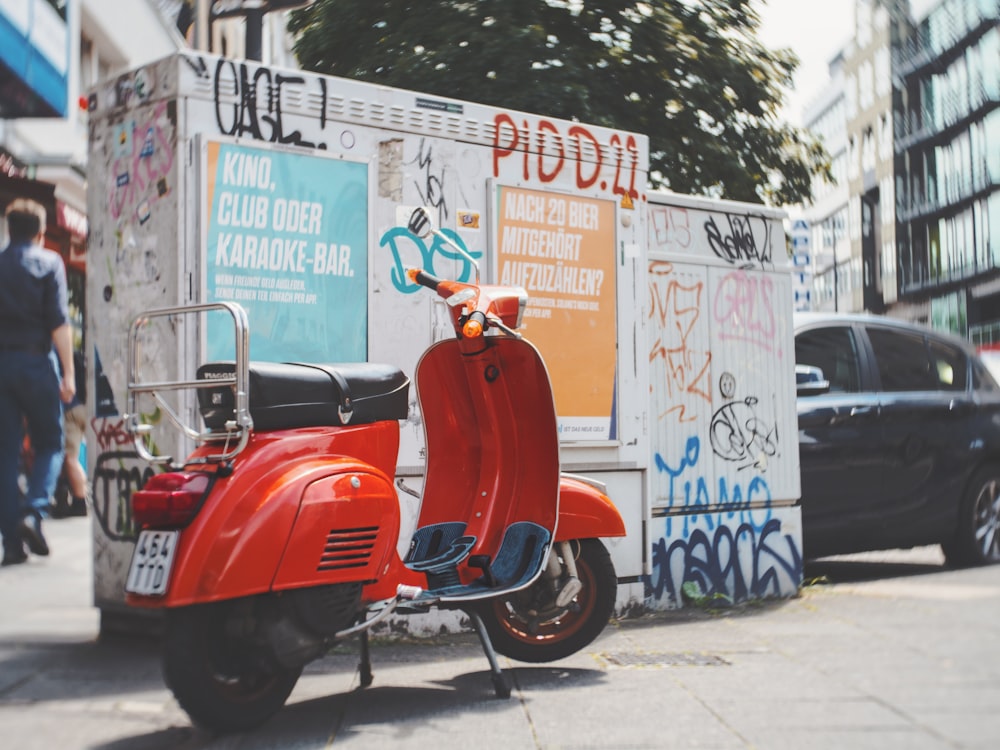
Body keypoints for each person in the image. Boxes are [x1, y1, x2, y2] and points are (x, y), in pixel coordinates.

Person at [0, 199, 75, 566]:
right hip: (36, 363)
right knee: (50, 442)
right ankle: (34, 512)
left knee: (4, 455)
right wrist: (69, 374)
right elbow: (59, 324)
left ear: (9, 229)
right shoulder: (50, 263)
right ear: (41, 233)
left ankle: (12, 543)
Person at [60, 349, 89, 517]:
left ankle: (80, 501)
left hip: (69, 408)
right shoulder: (73, 354)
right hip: (82, 406)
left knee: (69, 459)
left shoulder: (54, 351)